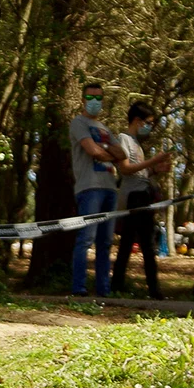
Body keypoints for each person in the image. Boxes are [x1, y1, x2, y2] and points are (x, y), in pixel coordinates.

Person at [110, 101, 173, 299]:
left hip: (143, 194)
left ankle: (120, 286)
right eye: (148, 123)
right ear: (137, 120)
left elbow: (139, 171)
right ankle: (151, 290)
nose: (149, 127)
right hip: (133, 198)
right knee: (142, 243)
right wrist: (152, 161)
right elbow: (126, 169)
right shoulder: (124, 139)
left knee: (138, 243)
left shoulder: (136, 143)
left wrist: (155, 169)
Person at [69, 82, 124, 297]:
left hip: (110, 188)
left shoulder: (104, 128)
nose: (94, 102)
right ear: (83, 99)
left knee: (106, 242)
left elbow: (122, 154)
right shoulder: (78, 123)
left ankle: (103, 289)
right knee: (86, 239)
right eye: (90, 98)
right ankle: (79, 287)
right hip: (89, 187)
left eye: (98, 98)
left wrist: (106, 149)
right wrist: (107, 151)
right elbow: (93, 151)